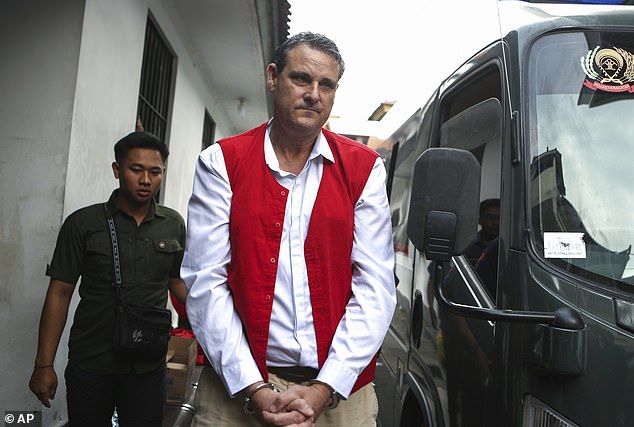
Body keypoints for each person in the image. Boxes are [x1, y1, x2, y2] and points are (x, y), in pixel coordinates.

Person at [181, 32, 397, 426]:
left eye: (326, 85)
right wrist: (254, 388)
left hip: (340, 396)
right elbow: (204, 282)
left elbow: (376, 288)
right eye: (301, 79)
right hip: (238, 388)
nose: (314, 94)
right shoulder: (221, 163)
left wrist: (324, 387)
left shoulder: (364, 169)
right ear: (272, 77)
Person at [29, 131, 187, 426]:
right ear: (117, 170)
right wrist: (44, 364)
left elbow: (176, 281)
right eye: (136, 169)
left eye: (155, 172)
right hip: (92, 362)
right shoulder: (83, 223)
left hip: (147, 364)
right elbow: (60, 292)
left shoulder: (173, 224)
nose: (145, 180)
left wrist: (216, 307)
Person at [463, 198, 500, 266]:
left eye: (500, 218)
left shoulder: (509, 250)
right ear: (479, 219)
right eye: (490, 217)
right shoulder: (467, 245)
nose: (496, 222)